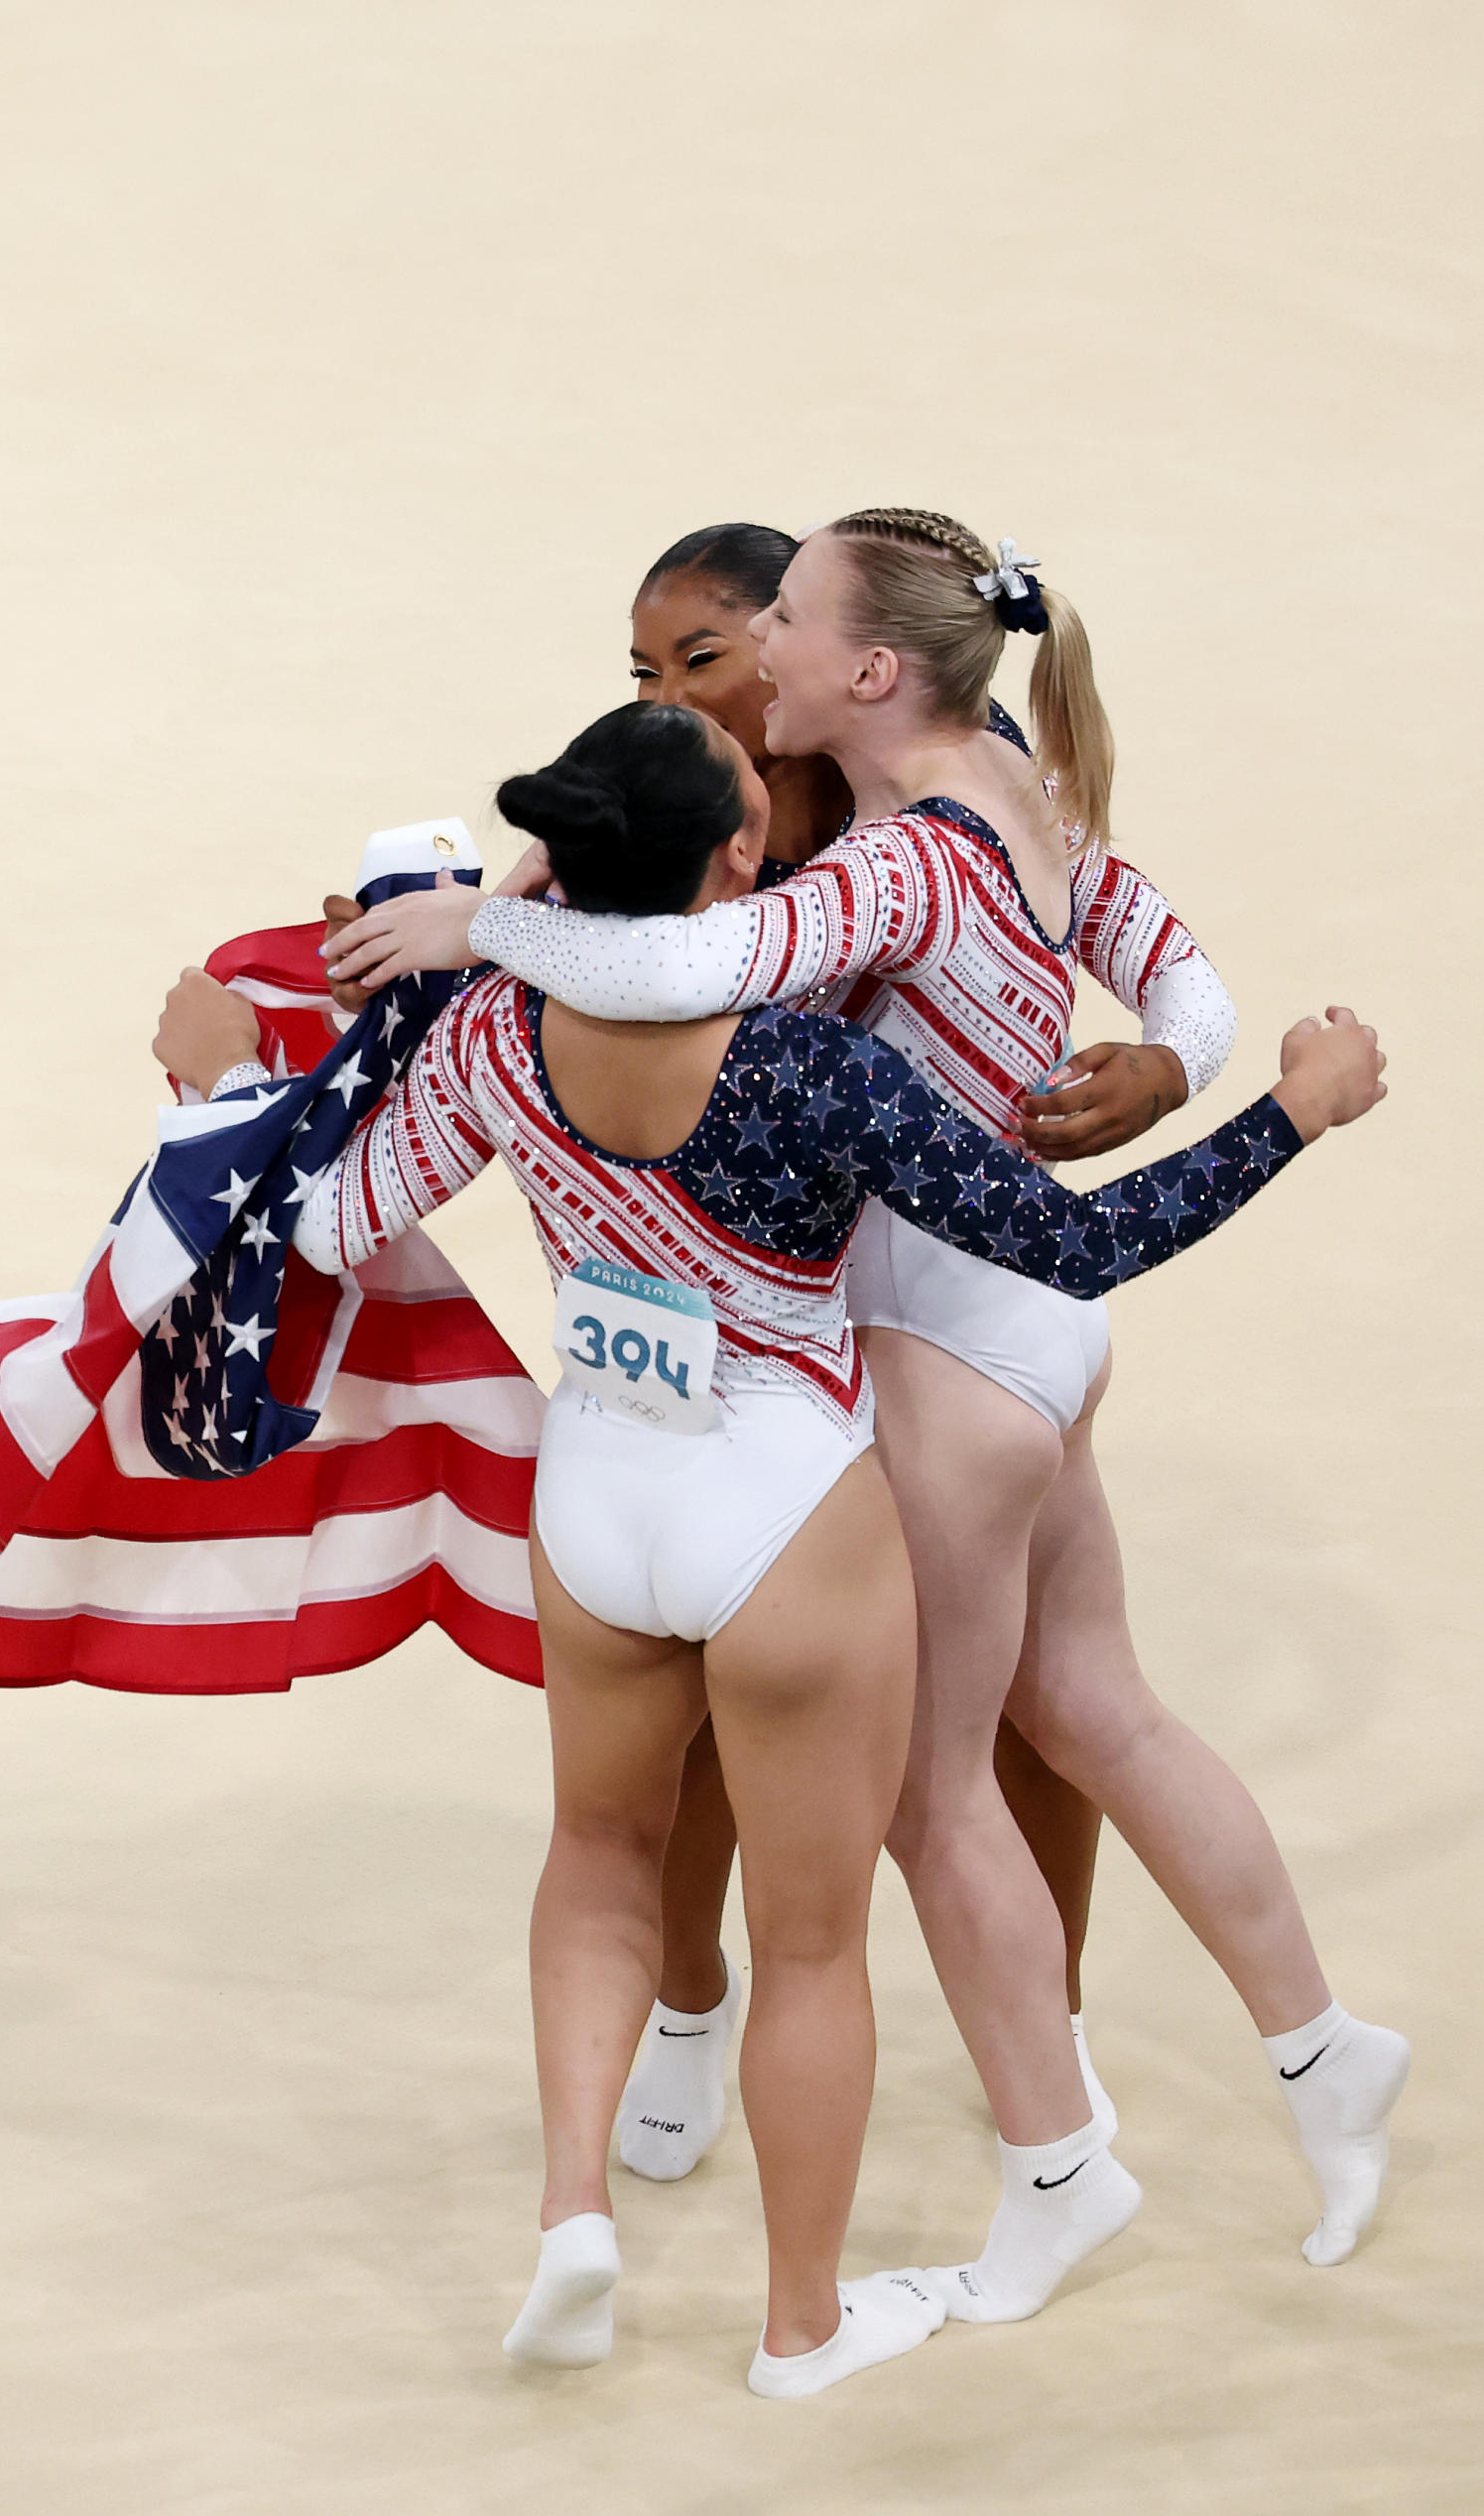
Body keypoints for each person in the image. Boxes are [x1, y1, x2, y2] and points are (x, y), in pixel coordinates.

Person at [158, 699, 1385, 2392]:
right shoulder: (813, 1066)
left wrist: (225, 1075)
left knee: (597, 1854)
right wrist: (1292, 1117)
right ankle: (800, 2326)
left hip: (595, 1510)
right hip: (786, 1513)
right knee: (813, 1944)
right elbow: (1080, 1243)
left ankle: (573, 2213)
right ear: (740, 866)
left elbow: (332, 1218)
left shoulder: (492, 1039)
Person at [603, 522, 1210, 2182]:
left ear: (820, 662)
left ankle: (1051, 2019)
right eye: (643, 673)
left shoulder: (940, 788)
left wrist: (1168, 1064)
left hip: (920, 1317)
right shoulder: (644, 805)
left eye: (711, 656)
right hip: (718, 1304)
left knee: (1012, 1703)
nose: (680, 696)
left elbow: (1122, 918)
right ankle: (682, 2000)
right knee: (689, 1694)